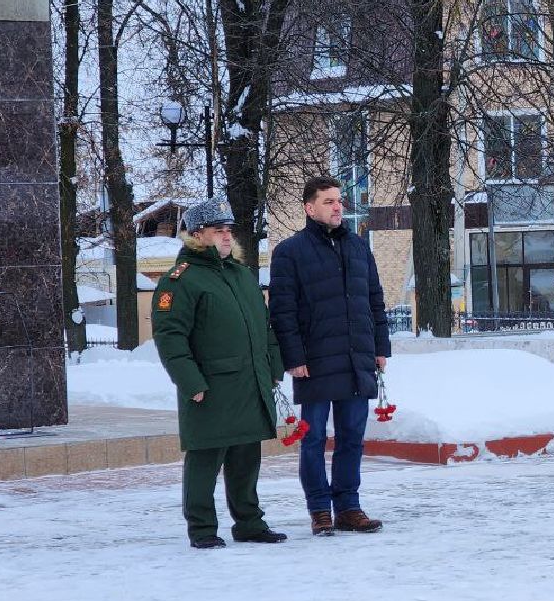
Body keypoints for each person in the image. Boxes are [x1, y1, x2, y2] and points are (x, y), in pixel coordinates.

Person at [151, 197, 288, 549]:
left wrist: (273, 367)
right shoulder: (181, 281)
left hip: (249, 383)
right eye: (218, 230)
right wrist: (190, 382)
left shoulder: (242, 275)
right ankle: (202, 529)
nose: (227, 236)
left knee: (246, 459)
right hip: (210, 388)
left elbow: (264, 326)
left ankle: (249, 523)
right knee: (205, 460)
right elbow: (170, 337)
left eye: (229, 230)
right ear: (198, 234)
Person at [269, 176, 392, 536]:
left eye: (339, 200)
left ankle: (349, 507)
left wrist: (380, 348)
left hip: (356, 359)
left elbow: (375, 302)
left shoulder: (358, 247)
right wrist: (293, 357)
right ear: (310, 208)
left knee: (352, 436)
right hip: (315, 362)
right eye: (328, 201)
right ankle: (320, 509)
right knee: (314, 438)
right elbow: (282, 311)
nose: (338, 207)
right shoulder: (290, 251)